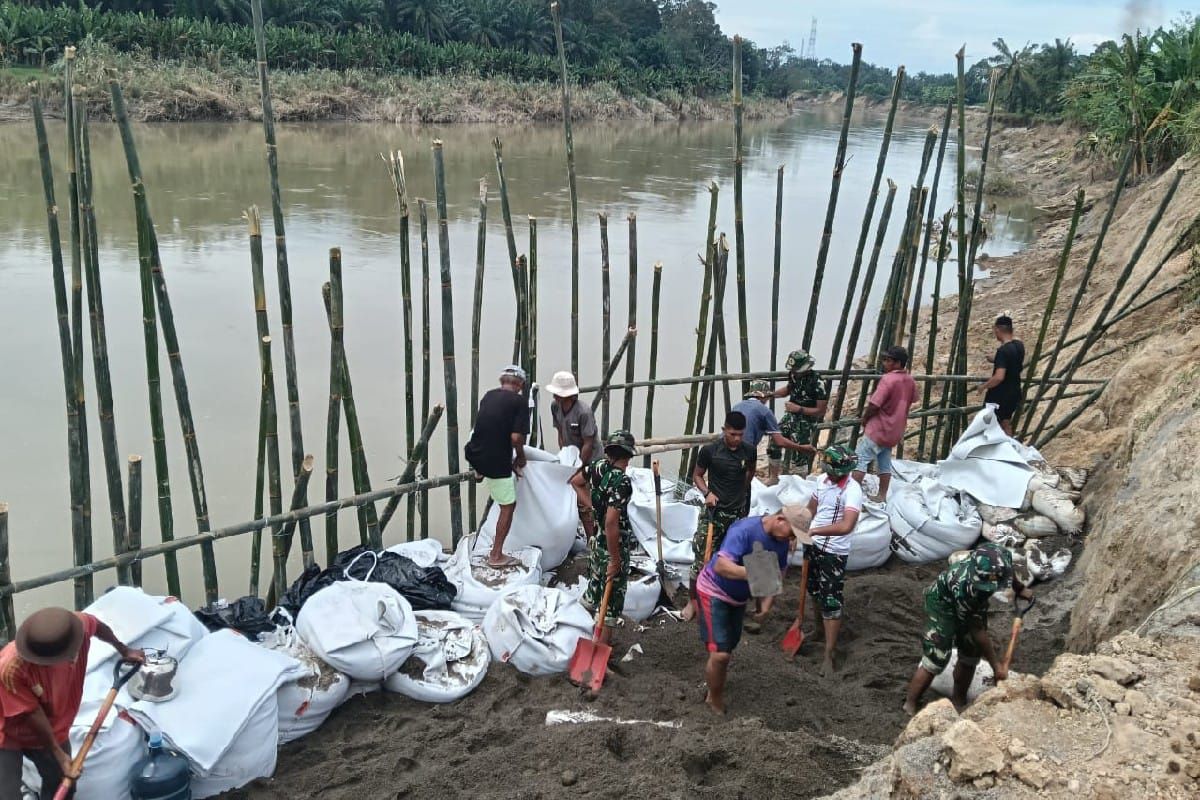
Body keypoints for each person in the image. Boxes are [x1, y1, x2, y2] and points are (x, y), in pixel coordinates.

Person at [1, 607, 145, 798]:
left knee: (64, 785)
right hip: (7, 732)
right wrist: (58, 755)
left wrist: (123, 649)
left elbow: (98, 626)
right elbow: (32, 713)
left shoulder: (76, 626)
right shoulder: (11, 669)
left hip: (53, 725)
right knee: (7, 792)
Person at [695, 507, 810, 713]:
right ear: (780, 519)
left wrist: (765, 607)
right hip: (713, 590)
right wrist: (757, 571)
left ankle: (714, 670)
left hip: (738, 599)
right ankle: (714, 699)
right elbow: (722, 566)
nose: (793, 539)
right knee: (721, 654)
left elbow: (775, 577)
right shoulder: (744, 530)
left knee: (729, 645)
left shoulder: (782, 544)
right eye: (792, 532)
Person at [903, 543, 1033, 715]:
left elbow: (1009, 574)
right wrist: (996, 666)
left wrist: (1020, 589)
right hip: (943, 607)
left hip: (970, 608)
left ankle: (959, 699)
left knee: (971, 652)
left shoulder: (1000, 557)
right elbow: (977, 630)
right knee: (938, 655)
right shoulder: (966, 587)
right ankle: (910, 703)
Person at [681, 411, 757, 622]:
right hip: (714, 513)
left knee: (732, 560)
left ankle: (723, 600)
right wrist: (707, 493)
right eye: (733, 434)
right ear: (724, 430)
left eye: (741, 434)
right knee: (701, 559)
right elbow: (696, 475)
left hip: (737, 515)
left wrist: (742, 492)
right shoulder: (710, 451)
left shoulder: (749, 451)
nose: (737, 439)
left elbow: (751, 472)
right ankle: (693, 602)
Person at [798, 444, 863, 678]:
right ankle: (817, 629)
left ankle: (829, 653)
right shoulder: (822, 481)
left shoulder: (852, 490)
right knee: (814, 590)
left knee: (831, 600)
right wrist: (801, 527)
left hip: (834, 552)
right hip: (814, 546)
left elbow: (847, 526)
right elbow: (810, 509)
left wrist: (817, 531)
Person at [569, 431, 637, 646]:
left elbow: (576, 481)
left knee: (594, 589)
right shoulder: (622, 482)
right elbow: (611, 524)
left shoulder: (598, 467)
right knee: (610, 605)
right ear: (628, 455)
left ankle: (575, 634)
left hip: (597, 542)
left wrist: (593, 506)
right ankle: (600, 651)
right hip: (612, 543)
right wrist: (615, 559)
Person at [464, 365, 529, 567]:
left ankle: (479, 471)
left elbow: (485, 425)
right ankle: (496, 555)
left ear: (502, 382)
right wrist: (520, 457)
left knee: (484, 450)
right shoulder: (520, 402)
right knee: (508, 506)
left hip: (473, 452)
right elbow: (516, 437)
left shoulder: (488, 396)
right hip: (495, 461)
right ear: (520, 385)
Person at [852, 345, 917, 501]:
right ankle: (881, 495)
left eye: (887, 360)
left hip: (879, 429)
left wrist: (865, 418)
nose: (884, 363)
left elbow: (875, 404)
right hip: (895, 430)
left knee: (860, 460)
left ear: (897, 363)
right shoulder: (910, 380)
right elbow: (912, 400)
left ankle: (851, 496)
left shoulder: (888, 379)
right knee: (884, 463)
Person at [770, 349, 828, 478]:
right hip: (791, 416)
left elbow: (821, 411)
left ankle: (800, 484)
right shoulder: (793, 375)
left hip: (807, 420)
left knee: (800, 452)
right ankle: (773, 478)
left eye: (796, 369)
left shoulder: (818, 382)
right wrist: (771, 394)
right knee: (775, 440)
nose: (793, 372)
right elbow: (789, 389)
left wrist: (799, 409)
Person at [732, 381, 817, 469]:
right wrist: (802, 448)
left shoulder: (737, 406)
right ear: (764, 397)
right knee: (747, 470)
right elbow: (779, 441)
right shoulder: (765, 411)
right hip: (743, 450)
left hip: (725, 446)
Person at [976, 315, 1025, 437]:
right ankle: (1010, 449)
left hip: (1001, 395)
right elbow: (1011, 360)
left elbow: (999, 377)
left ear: (997, 330)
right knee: (1005, 423)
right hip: (1015, 391)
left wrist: (984, 386)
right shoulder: (1019, 346)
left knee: (990, 424)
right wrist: (996, 359)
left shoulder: (1003, 351)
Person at [547, 371, 602, 464]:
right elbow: (560, 433)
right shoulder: (555, 407)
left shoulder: (584, 412)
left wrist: (579, 465)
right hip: (571, 456)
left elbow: (588, 443)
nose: (554, 396)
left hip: (591, 459)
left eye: (558, 393)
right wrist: (564, 455)